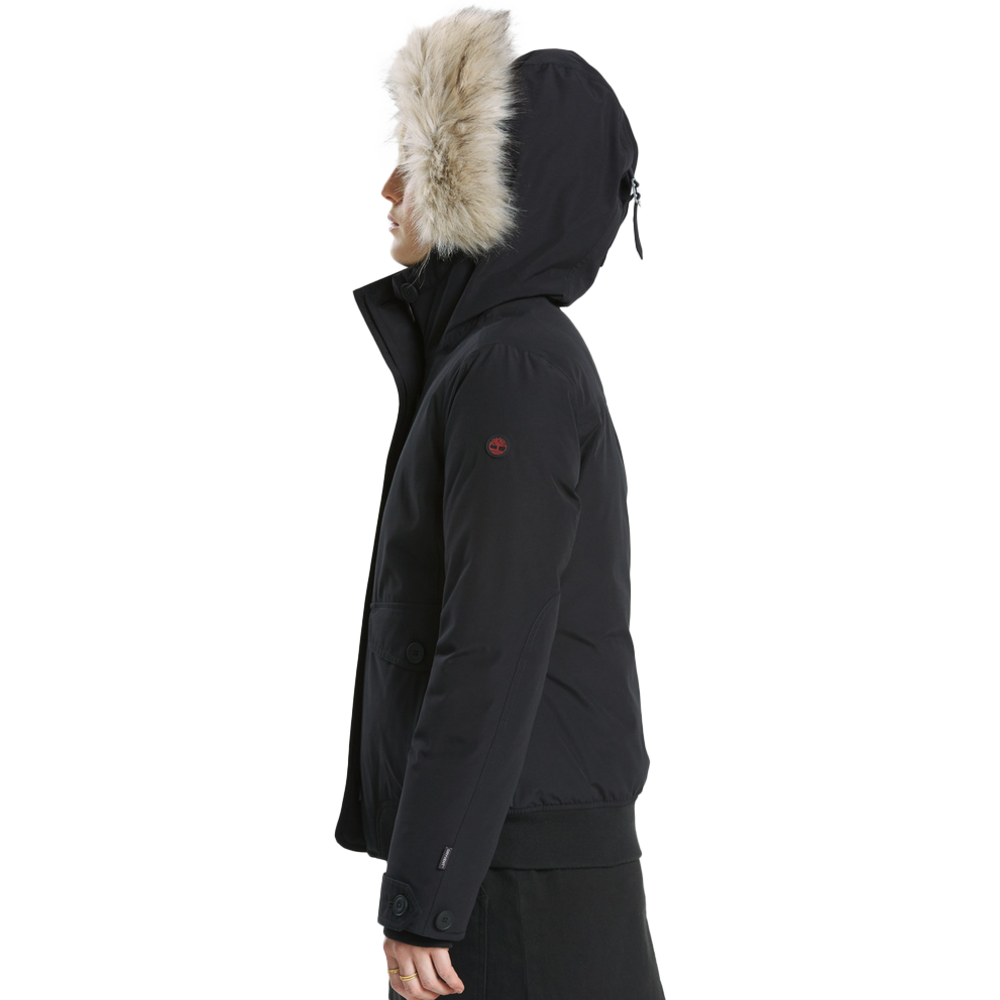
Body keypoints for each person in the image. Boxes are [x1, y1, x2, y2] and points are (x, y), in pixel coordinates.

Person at [333, 2, 660, 997]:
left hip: (519, 879)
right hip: (510, 855)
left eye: (415, 165)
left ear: (486, 187)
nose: (387, 187)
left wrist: (426, 889)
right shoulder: (489, 358)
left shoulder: (512, 367)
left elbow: (490, 638)